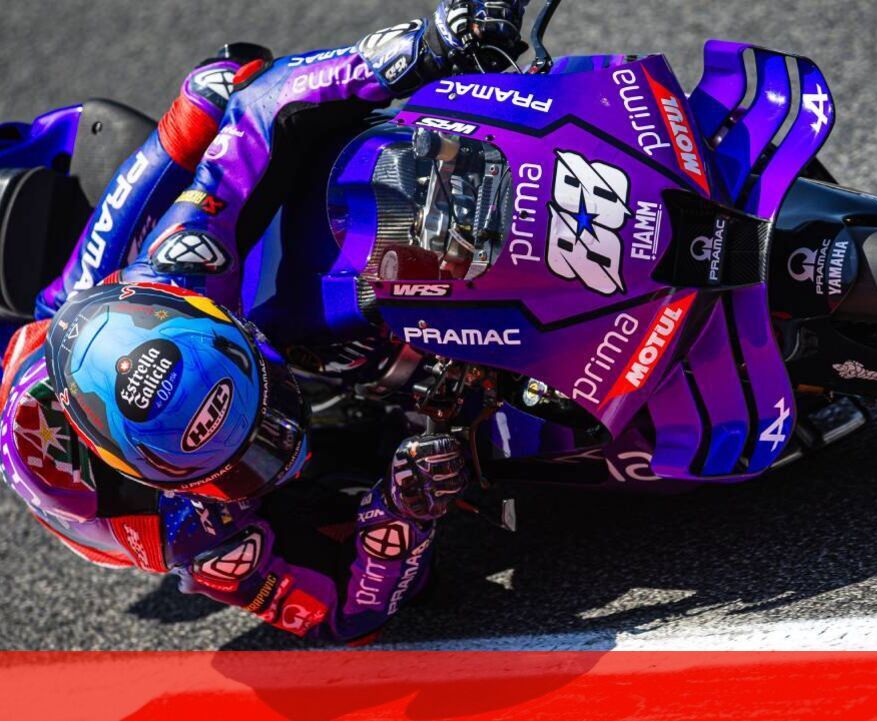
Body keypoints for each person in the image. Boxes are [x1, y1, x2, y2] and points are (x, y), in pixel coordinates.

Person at [0, 0, 530, 643]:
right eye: (239, 457)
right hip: (127, 463)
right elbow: (339, 614)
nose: (278, 442)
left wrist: (423, 46)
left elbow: (261, 109)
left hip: (75, 309)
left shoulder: (178, 264)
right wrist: (402, 512)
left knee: (216, 90)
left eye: (259, 426)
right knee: (402, 561)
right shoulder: (187, 532)